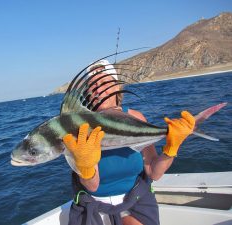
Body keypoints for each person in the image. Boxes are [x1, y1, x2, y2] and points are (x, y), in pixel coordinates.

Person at [62, 59, 195, 225]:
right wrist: (86, 167)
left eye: (104, 82)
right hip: (94, 203)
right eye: (92, 86)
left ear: (117, 86)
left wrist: (172, 148)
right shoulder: (82, 127)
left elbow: (154, 172)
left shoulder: (136, 117)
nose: (98, 89)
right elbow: (92, 186)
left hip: (135, 200)